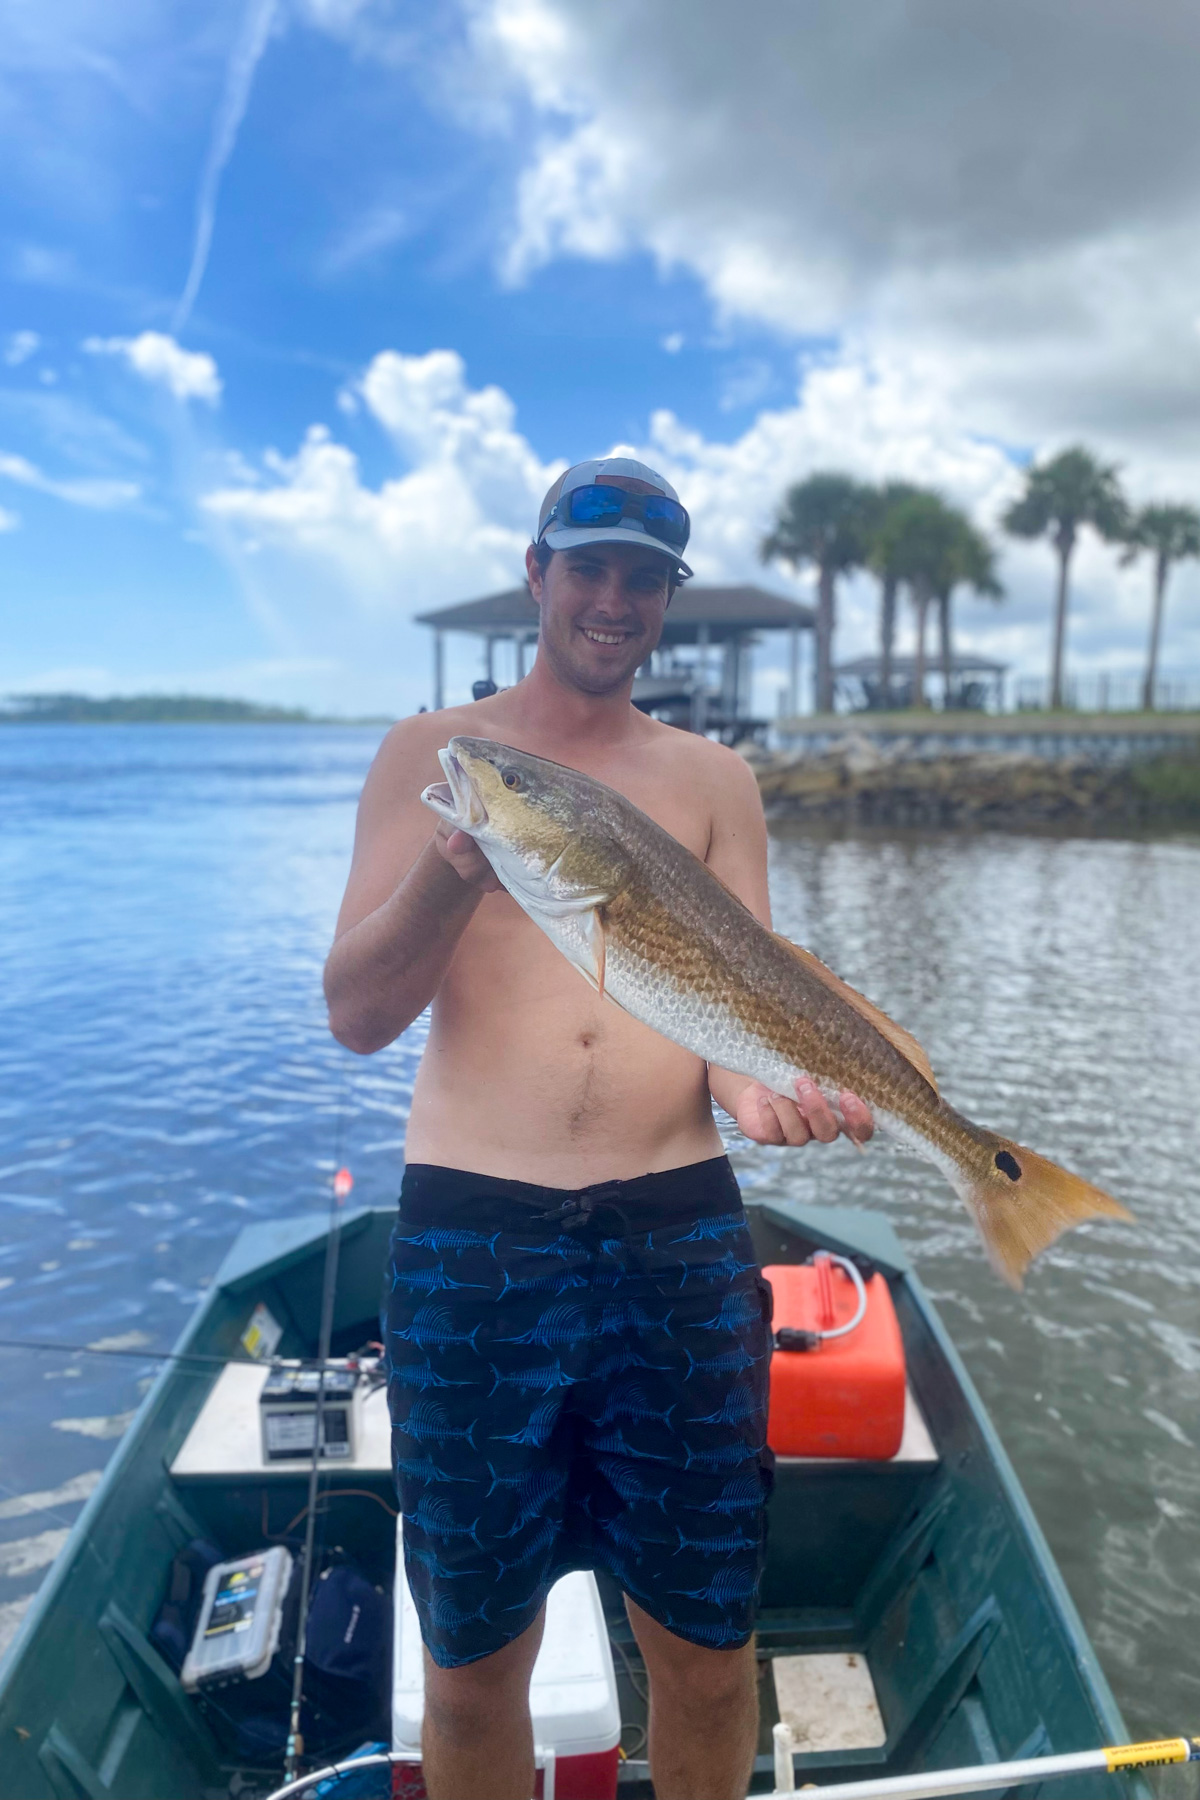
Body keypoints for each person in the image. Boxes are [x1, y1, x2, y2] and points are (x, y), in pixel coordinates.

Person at [324, 457, 873, 1800]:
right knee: (470, 1670)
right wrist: (456, 871)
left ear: (668, 600)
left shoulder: (715, 779)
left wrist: (768, 1095)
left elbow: (730, 1016)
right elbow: (357, 1014)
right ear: (538, 574)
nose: (614, 600)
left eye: (644, 578)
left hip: (676, 1234)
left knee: (708, 1654)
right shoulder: (433, 758)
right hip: (474, 1237)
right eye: (589, 568)